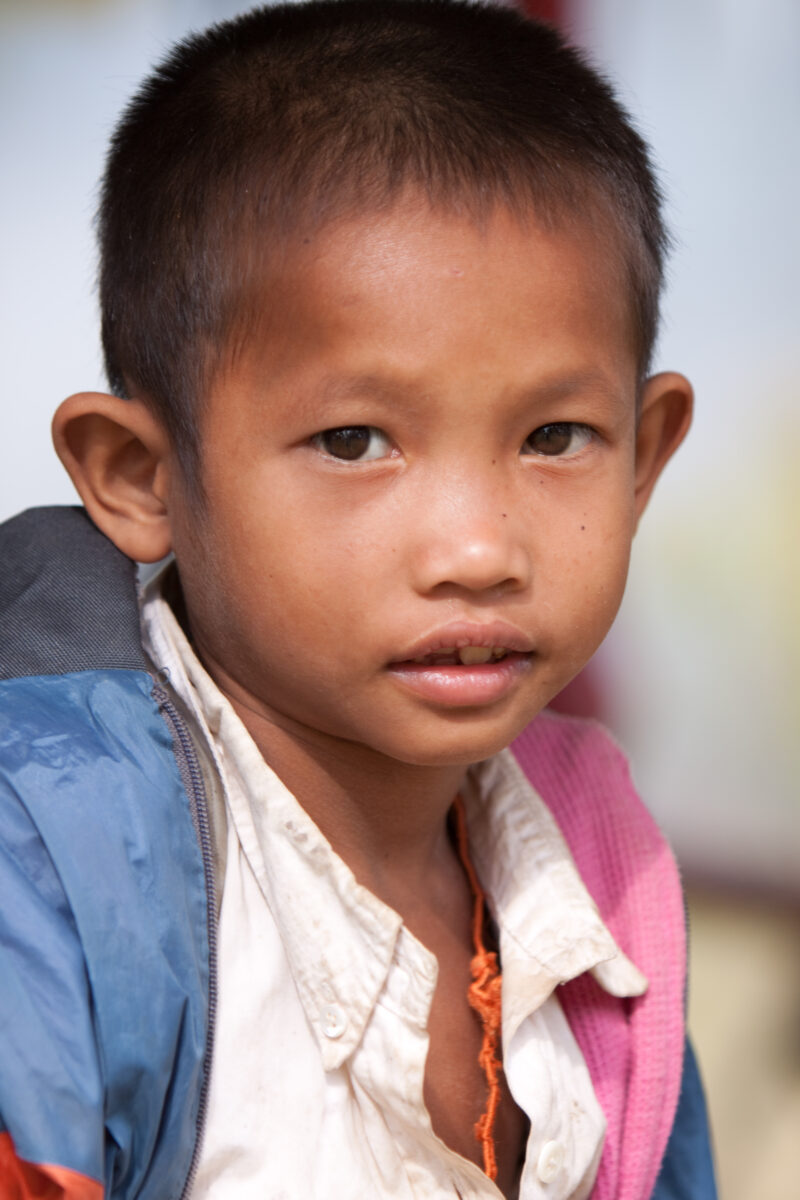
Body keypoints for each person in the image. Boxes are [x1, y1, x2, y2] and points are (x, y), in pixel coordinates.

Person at [0, 2, 717, 1197]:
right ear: (143, 477)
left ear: (643, 458)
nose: (479, 548)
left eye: (554, 436)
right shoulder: (50, 867)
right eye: (352, 441)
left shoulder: (604, 902)